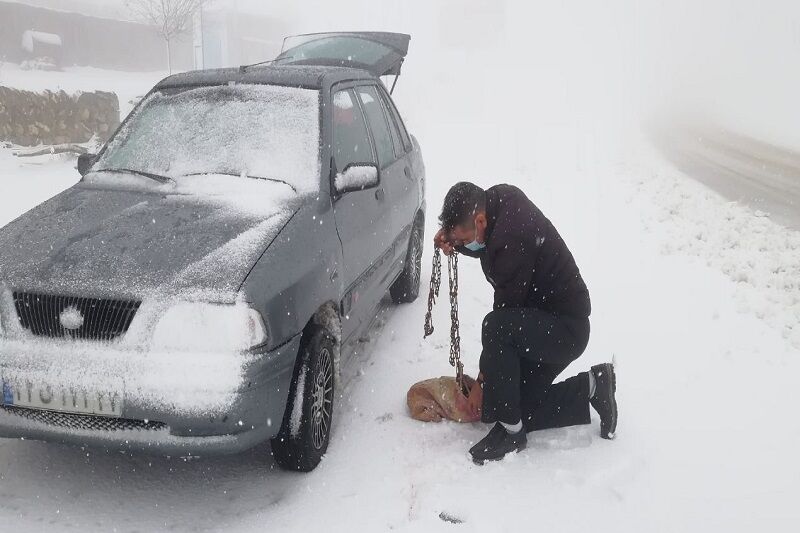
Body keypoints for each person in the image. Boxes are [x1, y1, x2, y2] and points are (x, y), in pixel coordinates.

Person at [433, 182, 618, 464]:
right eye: (457, 241)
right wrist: (454, 242)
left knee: (494, 329)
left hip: (565, 329)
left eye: (462, 239)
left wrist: (483, 381)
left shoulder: (512, 238)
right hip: (542, 321)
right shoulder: (496, 203)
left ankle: (511, 433)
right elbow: (484, 243)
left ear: (479, 220)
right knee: (515, 404)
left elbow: (504, 319)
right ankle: (595, 385)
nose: (461, 244)